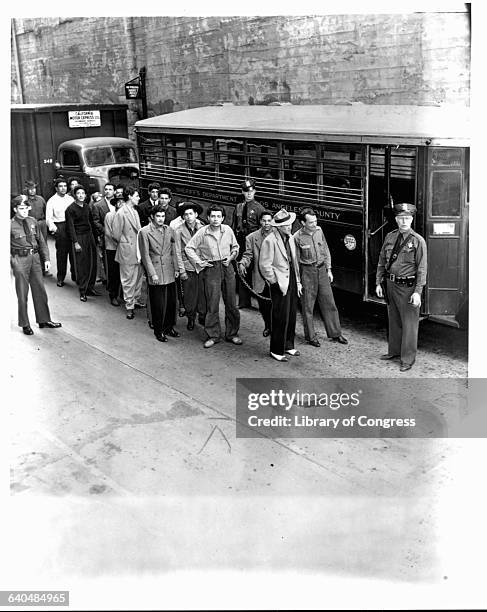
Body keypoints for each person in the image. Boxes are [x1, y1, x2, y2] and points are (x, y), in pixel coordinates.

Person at [376, 202, 427, 372]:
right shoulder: (390, 237)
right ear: (396, 220)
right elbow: (382, 260)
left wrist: (418, 293)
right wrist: (378, 282)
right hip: (391, 284)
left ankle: (407, 359)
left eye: (407, 218)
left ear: (412, 219)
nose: (404, 221)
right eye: (400, 218)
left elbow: (422, 269)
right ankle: (394, 352)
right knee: (394, 320)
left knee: (410, 325)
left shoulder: (418, 241)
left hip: (408, 288)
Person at [185, 205, 242, 348]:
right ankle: (213, 335)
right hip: (211, 269)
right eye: (213, 216)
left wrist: (231, 257)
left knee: (231, 303)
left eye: (218, 216)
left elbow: (235, 247)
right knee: (212, 303)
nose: (215, 219)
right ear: (208, 217)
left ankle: (232, 333)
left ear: (223, 218)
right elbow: (189, 248)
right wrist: (200, 262)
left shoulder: (228, 230)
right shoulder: (202, 232)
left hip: (227, 266)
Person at [293, 207, 348, 347]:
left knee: (329, 302)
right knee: (308, 306)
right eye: (311, 222)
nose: (314, 224)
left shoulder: (319, 231)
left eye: (315, 221)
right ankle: (311, 337)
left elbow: (326, 249)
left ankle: (335, 333)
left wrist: (329, 269)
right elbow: (295, 262)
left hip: (322, 270)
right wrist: (298, 281)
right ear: (302, 222)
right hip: (307, 272)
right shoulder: (297, 237)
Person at [10, 195, 61, 335]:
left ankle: (43, 320)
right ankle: (25, 323)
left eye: (26, 208)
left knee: (40, 290)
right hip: (20, 259)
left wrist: (46, 259)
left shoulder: (33, 221)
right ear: (15, 209)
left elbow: (42, 241)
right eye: (21, 208)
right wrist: (13, 262)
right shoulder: (9, 225)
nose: (25, 211)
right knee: (22, 292)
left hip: (35, 258)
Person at [259, 208, 302, 362]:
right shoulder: (270, 240)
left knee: (291, 314)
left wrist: (297, 281)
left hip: (290, 279)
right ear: (277, 227)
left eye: (290, 224)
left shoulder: (289, 238)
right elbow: (265, 265)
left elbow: (294, 261)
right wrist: (274, 282)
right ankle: (276, 350)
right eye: (285, 225)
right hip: (279, 282)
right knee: (279, 316)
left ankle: (289, 345)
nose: (289, 227)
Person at [138, 205, 180, 342]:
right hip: (156, 270)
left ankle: (169, 327)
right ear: (152, 217)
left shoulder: (169, 230)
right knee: (158, 303)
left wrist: (177, 269)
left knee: (171, 302)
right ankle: (158, 330)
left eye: (163, 216)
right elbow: (145, 255)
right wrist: (152, 274)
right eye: (158, 216)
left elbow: (174, 251)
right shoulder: (144, 232)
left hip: (169, 269)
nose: (161, 219)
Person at [231, 178, 266, 308]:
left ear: (255, 191)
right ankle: (243, 301)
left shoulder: (259, 208)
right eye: (246, 192)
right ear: (242, 192)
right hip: (241, 241)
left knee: (256, 270)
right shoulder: (239, 207)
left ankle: (262, 301)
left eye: (251, 191)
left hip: (253, 242)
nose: (249, 194)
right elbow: (235, 225)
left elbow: (263, 229)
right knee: (242, 269)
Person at [238, 210, 273, 337]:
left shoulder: (278, 235)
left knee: (277, 305)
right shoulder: (251, 238)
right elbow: (248, 255)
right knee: (264, 306)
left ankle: (277, 328)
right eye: (264, 220)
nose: (266, 223)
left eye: (269, 220)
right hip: (260, 277)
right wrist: (242, 263)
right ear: (260, 221)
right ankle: (268, 326)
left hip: (276, 277)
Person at [112, 186, 144, 319]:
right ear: (130, 196)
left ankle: (135, 300)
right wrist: (125, 243)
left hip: (137, 250)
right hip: (127, 251)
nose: (139, 198)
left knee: (138, 278)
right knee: (128, 280)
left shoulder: (134, 211)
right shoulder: (121, 212)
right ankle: (129, 306)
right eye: (136, 196)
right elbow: (116, 234)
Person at [174, 202, 206, 330]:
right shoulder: (178, 231)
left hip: (202, 265)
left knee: (203, 294)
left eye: (191, 214)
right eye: (185, 214)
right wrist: (182, 270)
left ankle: (202, 316)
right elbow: (177, 251)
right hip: (188, 267)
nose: (188, 216)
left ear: (196, 214)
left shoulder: (203, 227)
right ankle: (191, 318)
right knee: (189, 295)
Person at [65, 185, 99, 302]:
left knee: (93, 263)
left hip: (89, 236)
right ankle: (83, 291)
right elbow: (70, 227)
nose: (81, 195)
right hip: (79, 237)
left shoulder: (87, 207)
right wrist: (75, 242)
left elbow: (91, 223)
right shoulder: (70, 209)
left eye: (83, 193)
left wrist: (95, 237)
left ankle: (90, 287)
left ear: (85, 195)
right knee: (82, 264)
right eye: (78, 193)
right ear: (75, 195)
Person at [46, 178, 75, 287]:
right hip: (60, 227)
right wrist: (56, 230)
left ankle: (75, 275)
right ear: (56, 188)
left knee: (74, 252)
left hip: (71, 226)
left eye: (65, 186)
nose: (63, 188)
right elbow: (49, 219)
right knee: (62, 254)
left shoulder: (70, 199)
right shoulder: (51, 201)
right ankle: (61, 277)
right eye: (61, 186)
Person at [24, 179, 51, 277]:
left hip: (41, 223)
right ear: (27, 189)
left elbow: (45, 211)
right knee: (32, 246)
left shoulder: (41, 199)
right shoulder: (25, 201)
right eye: (30, 189)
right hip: (30, 225)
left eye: (34, 188)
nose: (32, 191)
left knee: (43, 245)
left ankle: (45, 269)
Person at [92, 183, 116, 282]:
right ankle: (108, 280)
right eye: (106, 189)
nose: (108, 191)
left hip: (119, 236)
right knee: (108, 259)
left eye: (110, 189)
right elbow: (96, 221)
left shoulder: (118, 203)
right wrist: (106, 231)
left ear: (114, 191)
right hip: (106, 236)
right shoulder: (98, 205)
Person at [104, 197, 124, 306]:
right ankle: (113, 295)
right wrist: (119, 243)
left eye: (123, 202)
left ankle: (123, 295)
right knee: (113, 273)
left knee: (124, 273)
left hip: (125, 249)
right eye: (119, 202)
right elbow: (108, 233)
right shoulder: (110, 215)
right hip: (113, 248)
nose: (121, 204)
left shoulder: (127, 215)